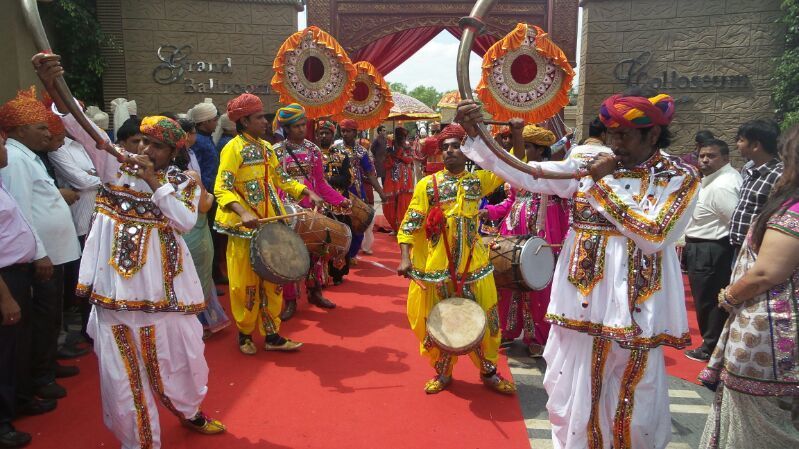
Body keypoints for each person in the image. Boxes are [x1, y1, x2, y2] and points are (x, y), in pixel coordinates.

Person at [458, 88, 700, 449]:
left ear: (652, 134)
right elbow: (531, 174)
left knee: (636, 393)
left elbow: (653, 233)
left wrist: (603, 183)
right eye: (611, 133)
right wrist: (480, 135)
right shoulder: (594, 163)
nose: (614, 143)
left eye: (624, 135)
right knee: (570, 387)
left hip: (638, 306)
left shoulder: (677, 176)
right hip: (580, 302)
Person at [34, 54, 227, 447]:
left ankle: (189, 411)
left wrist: (155, 180)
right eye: (142, 141)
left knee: (179, 366)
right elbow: (83, 128)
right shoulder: (113, 168)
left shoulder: (183, 182)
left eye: (156, 146)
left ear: (172, 152)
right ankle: (140, 443)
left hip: (165, 300)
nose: (145, 149)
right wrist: (54, 86)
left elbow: (184, 220)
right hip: (116, 300)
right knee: (123, 383)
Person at [698, 124, 799, 448]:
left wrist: (729, 296)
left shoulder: (793, 210)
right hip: (770, 333)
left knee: (759, 424)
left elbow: (766, 273)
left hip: (769, 337)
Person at [396, 123, 516, 395]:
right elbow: (410, 223)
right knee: (439, 322)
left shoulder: (479, 181)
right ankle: (443, 371)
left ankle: (488, 371)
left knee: (487, 319)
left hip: (476, 267)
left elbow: (509, 165)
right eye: (445, 147)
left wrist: (517, 135)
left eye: (456, 146)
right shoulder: (428, 185)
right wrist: (405, 257)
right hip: (438, 269)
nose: (450, 151)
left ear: (466, 152)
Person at [214, 93, 324, 355]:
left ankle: (272, 335)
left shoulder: (266, 148)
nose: (265, 121)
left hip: (271, 227)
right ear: (244, 121)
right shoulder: (233, 148)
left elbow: (281, 178)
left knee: (273, 283)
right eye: (260, 117)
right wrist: (242, 212)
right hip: (244, 230)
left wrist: (304, 191)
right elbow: (221, 187)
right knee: (245, 286)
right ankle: (244, 335)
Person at [0, 87, 81, 407]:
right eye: (41, 127)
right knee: (40, 317)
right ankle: (39, 376)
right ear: (20, 130)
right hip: (42, 254)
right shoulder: (17, 160)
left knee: (50, 316)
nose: (48, 132)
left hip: (53, 250)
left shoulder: (26, 156)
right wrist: (39, 253)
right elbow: (22, 209)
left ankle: (46, 367)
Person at [479, 123, 570, 357]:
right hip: (513, 235)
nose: (524, 150)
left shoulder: (555, 174)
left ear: (541, 150)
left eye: (528, 146)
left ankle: (537, 338)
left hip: (542, 238)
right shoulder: (518, 173)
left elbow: (568, 207)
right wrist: (490, 211)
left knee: (538, 287)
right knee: (509, 282)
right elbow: (510, 203)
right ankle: (507, 331)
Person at [271, 106, 349, 320]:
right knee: (288, 256)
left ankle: (315, 292)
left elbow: (321, 184)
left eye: (302, 125)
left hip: (311, 210)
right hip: (287, 213)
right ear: (286, 128)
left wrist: (340, 200)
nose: (301, 129)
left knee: (316, 253)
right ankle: (290, 301)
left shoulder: (313, 150)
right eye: (296, 126)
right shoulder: (276, 151)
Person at [683, 139, 742, 362]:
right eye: (702, 156)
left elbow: (734, 221)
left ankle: (711, 347)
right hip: (705, 246)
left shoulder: (722, 185)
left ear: (726, 158)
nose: (705, 160)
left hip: (711, 247)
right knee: (706, 298)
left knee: (708, 300)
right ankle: (713, 344)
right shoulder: (715, 180)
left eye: (712, 156)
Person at [0, 134, 41, 448]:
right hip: (4, 280)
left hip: (17, 273)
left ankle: (19, 399)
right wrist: (5, 298)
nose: (6, 150)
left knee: (19, 345)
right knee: (5, 351)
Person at [174, 119, 230, 338]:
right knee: (198, 280)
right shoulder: (190, 177)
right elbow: (204, 204)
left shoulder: (156, 178)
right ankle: (199, 325)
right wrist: (211, 194)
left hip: (176, 235)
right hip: (195, 232)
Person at [326, 119, 385, 283]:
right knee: (340, 226)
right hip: (339, 193)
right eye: (343, 131)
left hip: (358, 193)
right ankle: (339, 256)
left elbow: (371, 173)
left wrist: (381, 191)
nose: (345, 134)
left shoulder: (362, 152)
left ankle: (351, 254)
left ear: (356, 132)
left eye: (349, 131)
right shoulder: (334, 150)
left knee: (359, 225)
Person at [729, 120, 782, 260]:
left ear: (756, 145)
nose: (737, 145)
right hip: (739, 247)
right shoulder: (749, 170)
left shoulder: (779, 175)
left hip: (759, 251)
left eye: (741, 140)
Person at [383, 126, 414, 233]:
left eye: (403, 136)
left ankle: (402, 225)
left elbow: (409, 159)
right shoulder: (390, 146)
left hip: (404, 177)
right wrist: (392, 153)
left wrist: (399, 154)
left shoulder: (407, 146)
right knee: (392, 200)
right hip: (392, 176)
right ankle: (394, 226)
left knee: (403, 199)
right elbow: (386, 162)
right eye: (400, 136)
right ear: (396, 135)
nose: (402, 138)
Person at [187, 99, 220, 193]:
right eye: (215, 120)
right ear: (205, 122)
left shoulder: (206, 137)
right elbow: (194, 169)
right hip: (203, 192)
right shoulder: (196, 140)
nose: (217, 123)